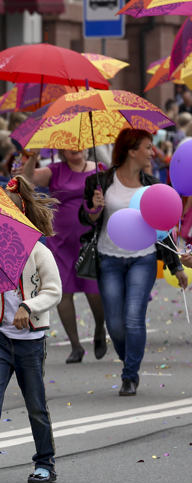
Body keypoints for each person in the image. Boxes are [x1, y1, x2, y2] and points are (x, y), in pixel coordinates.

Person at [0, 177, 63, 483]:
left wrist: (28, 306)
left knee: (35, 405)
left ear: (21, 213)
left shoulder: (38, 251)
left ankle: (45, 462)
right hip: (0, 339)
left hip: (31, 343)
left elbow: (54, 291)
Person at [79, 128, 187, 397]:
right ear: (131, 151)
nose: (153, 152)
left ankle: (130, 375)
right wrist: (94, 208)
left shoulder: (153, 185)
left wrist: (175, 266)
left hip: (143, 259)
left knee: (134, 318)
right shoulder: (100, 182)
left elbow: (163, 227)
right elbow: (85, 218)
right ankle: (129, 360)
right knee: (115, 324)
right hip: (108, 258)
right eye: (148, 147)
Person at [22, 148, 108, 363]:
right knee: (63, 293)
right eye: (69, 145)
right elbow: (27, 179)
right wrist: (32, 157)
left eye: (78, 144)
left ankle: (100, 329)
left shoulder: (99, 170)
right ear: (61, 150)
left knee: (94, 292)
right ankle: (76, 346)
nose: (74, 147)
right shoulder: (55, 170)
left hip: (89, 241)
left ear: (86, 148)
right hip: (60, 243)